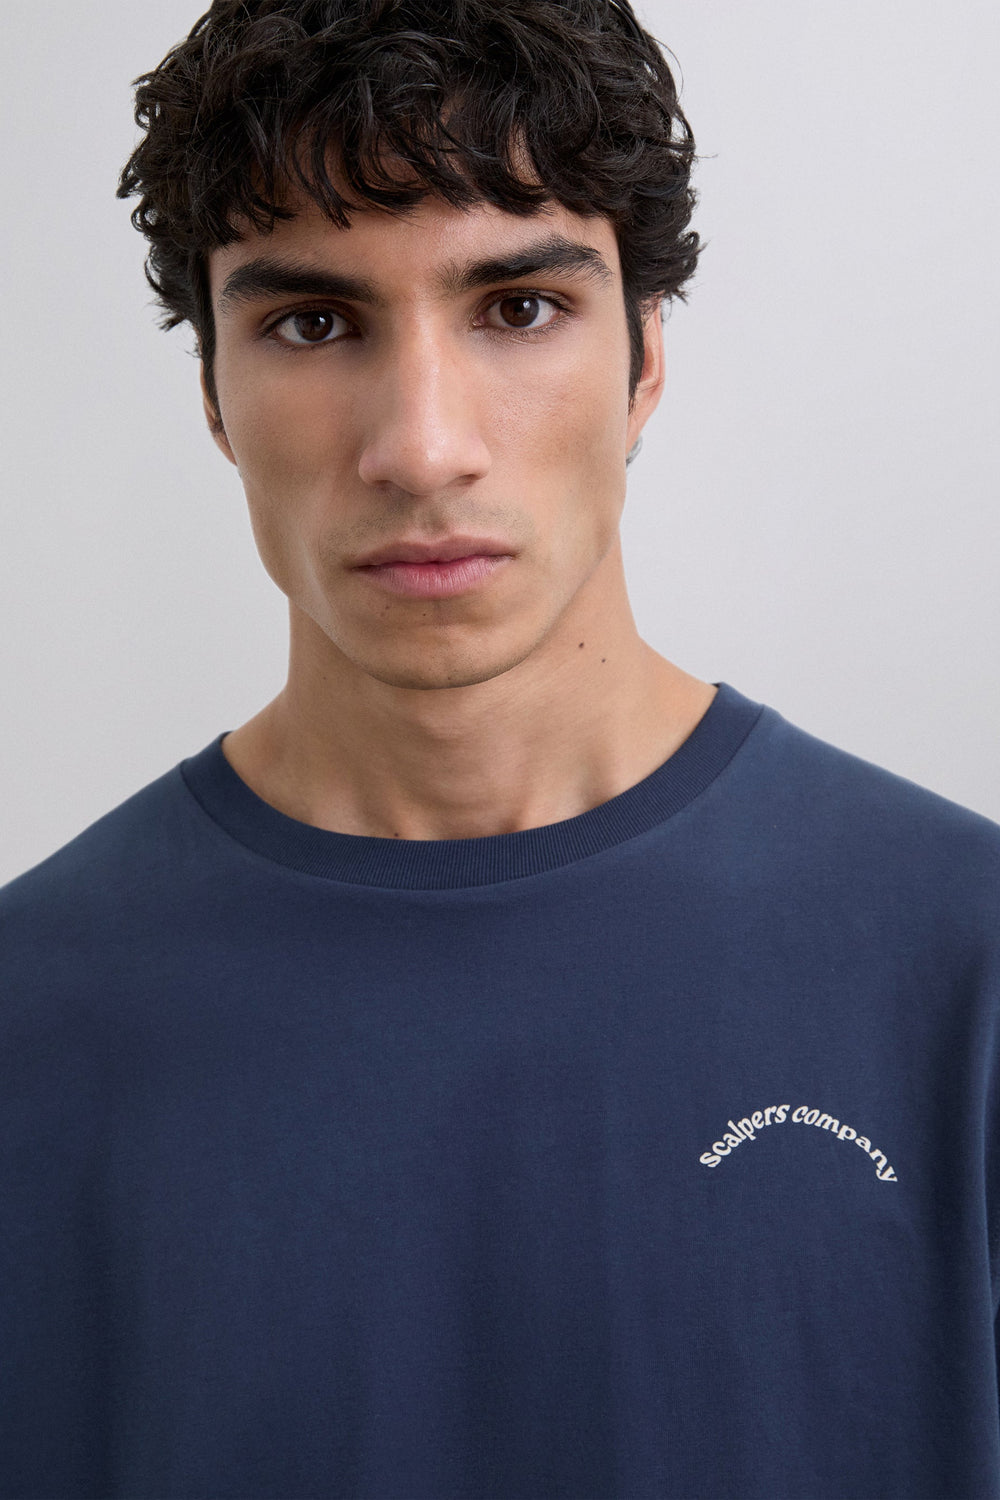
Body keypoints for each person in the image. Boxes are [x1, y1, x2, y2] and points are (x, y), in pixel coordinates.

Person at [1, 0, 997, 1495]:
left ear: (644, 360)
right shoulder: (28, 1018)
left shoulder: (967, 965)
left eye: (519, 308)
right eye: (313, 323)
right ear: (213, 394)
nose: (422, 446)